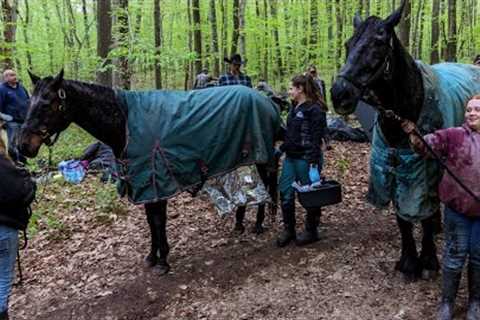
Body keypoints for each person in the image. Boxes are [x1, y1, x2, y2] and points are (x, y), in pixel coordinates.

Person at [401, 95, 480, 320]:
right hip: (458, 211)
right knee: (454, 256)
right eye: (468, 110)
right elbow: (426, 146)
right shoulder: (454, 135)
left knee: (478, 258)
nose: (471, 113)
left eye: (477, 110)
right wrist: (414, 135)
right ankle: (447, 303)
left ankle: (475, 302)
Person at [276, 74, 328, 247]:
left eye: (292, 88)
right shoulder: (294, 107)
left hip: (306, 159)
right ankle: (289, 229)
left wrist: (314, 163)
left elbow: (316, 138)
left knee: (310, 196)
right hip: (290, 158)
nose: (289, 91)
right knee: (285, 193)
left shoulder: (315, 110)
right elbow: (291, 135)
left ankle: (311, 230)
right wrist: (281, 150)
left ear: (301, 89)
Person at [0, 134, 36, 320]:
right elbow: (20, 191)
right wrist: (27, 179)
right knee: (3, 278)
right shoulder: (2, 164)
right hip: (3, 230)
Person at [0, 70, 30, 163]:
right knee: (12, 143)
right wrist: (5, 118)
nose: (15, 76)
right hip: (12, 122)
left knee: (22, 142)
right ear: (6, 78)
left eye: (14, 74)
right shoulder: (2, 89)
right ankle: (15, 162)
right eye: (12, 75)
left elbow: (28, 99)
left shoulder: (20, 87)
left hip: (24, 120)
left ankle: (23, 161)